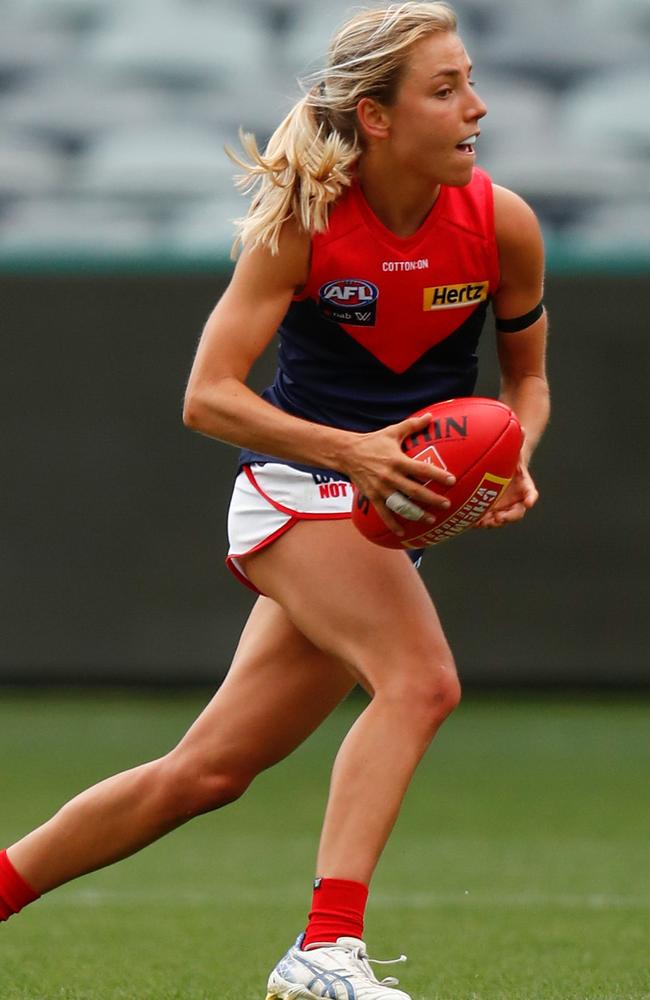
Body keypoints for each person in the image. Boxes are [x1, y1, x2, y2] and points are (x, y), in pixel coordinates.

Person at [0, 3, 550, 998]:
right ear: (375, 118)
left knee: (201, 773)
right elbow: (206, 398)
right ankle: (323, 948)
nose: (476, 105)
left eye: (469, 79)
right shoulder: (304, 225)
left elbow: (527, 385)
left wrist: (516, 458)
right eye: (444, 89)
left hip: (381, 511)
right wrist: (355, 453)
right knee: (420, 682)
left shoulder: (500, 223)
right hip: (298, 494)